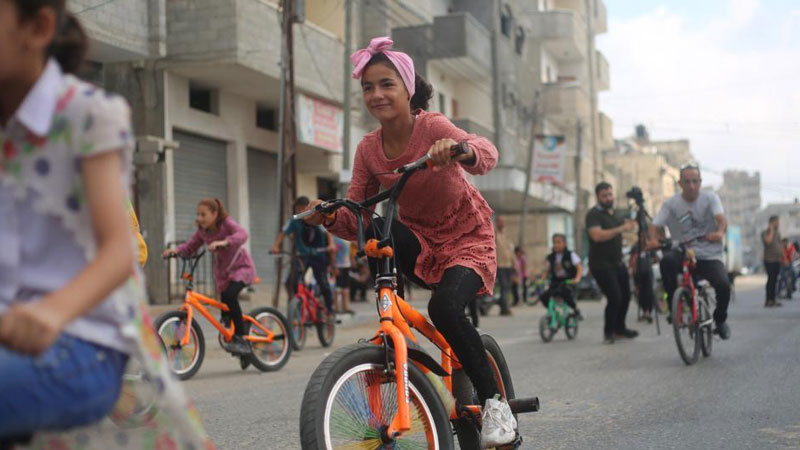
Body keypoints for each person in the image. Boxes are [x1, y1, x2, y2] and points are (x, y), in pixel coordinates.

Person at [0, 1, 211, 445]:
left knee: (229, 293)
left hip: (81, 342)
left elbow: (122, 251)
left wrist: (52, 310)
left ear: (36, 28)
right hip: (11, 340)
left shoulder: (86, 115)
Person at [302, 36, 517, 447]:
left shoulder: (432, 126)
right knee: (377, 226)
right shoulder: (368, 149)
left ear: (407, 89)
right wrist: (327, 216)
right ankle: (393, 328)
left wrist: (459, 149)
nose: (376, 94)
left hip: (467, 239)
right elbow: (357, 214)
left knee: (444, 308)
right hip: (421, 242)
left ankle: (496, 406)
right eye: (368, 87)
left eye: (386, 84)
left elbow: (486, 152)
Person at [163, 198, 257, 354]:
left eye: (203, 214)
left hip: (241, 267)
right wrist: (176, 251)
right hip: (223, 272)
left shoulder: (226, 224)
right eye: (198, 214)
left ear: (215, 213)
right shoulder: (203, 231)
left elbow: (243, 234)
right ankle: (235, 338)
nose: (199, 218)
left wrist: (224, 242)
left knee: (230, 295)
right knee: (225, 305)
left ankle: (242, 339)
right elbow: (191, 246)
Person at [648, 164, 732, 339]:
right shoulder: (671, 204)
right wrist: (654, 240)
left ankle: (720, 319)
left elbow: (721, 219)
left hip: (709, 254)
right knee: (667, 262)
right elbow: (655, 226)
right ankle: (674, 306)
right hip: (683, 250)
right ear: (680, 183)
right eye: (687, 182)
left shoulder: (710, 198)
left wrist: (719, 232)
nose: (691, 185)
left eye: (695, 181)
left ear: (700, 182)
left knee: (724, 285)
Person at [586, 182, 638, 344]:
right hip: (600, 265)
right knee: (614, 297)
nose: (608, 198)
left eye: (610, 194)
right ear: (598, 197)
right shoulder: (593, 215)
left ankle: (620, 329)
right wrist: (621, 229)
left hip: (617, 263)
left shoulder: (614, 214)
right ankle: (609, 332)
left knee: (626, 295)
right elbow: (597, 235)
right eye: (604, 195)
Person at [272, 196, 336, 312]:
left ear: (308, 208)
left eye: (303, 209)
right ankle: (299, 302)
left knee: (323, 283)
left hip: (319, 256)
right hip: (303, 255)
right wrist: (276, 246)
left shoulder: (316, 216)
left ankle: (330, 310)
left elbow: (328, 232)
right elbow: (283, 233)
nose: (301, 212)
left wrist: (331, 245)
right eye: (298, 209)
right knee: (291, 281)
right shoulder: (295, 220)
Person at [539, 234, 583, 319]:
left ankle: (576, 310)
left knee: (565, 293)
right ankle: (554, 311)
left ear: (565, 243)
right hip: (555, 281)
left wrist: (577, 278)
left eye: (559, 242)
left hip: (568, 281)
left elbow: (579, 268)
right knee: (544, 297)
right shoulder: (551, 257)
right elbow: (547, 270)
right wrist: (542, 279)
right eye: (554, 242)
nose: (556, 245)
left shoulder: (570, 255)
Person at [494, 215, 515, 316]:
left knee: (507, 287)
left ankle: (504, 307)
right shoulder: (494, 233)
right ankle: (505, 309)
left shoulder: (506, 234)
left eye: (503, 221)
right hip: (500, 264)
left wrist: (514, 262)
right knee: (503, 287)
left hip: (508, 264)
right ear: (497, 222)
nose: (502, 223)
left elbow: (510, 249)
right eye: (500, 221)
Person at [762, 216, 783, 307]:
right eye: (776, 222)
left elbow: (780, 246)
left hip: (777, 260)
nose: (778, 223)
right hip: (769, 260)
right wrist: (771, 229)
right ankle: (768, 300)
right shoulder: (765, 232)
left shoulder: (778, 233)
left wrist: (783, 257)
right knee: (771, 280)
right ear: (771, 222)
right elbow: (768, 241)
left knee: (775, 280)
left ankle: (773, 300)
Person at [333, 235, 355, 314]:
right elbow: (334, 253)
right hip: (339, 265)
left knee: (346, 287)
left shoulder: (347, 237)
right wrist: (334, 266)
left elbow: (350, 250)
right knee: (338, 288)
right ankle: (336, 307)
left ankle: (346, 307)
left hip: (346, 265)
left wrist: (352, 260)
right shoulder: (336, 238)